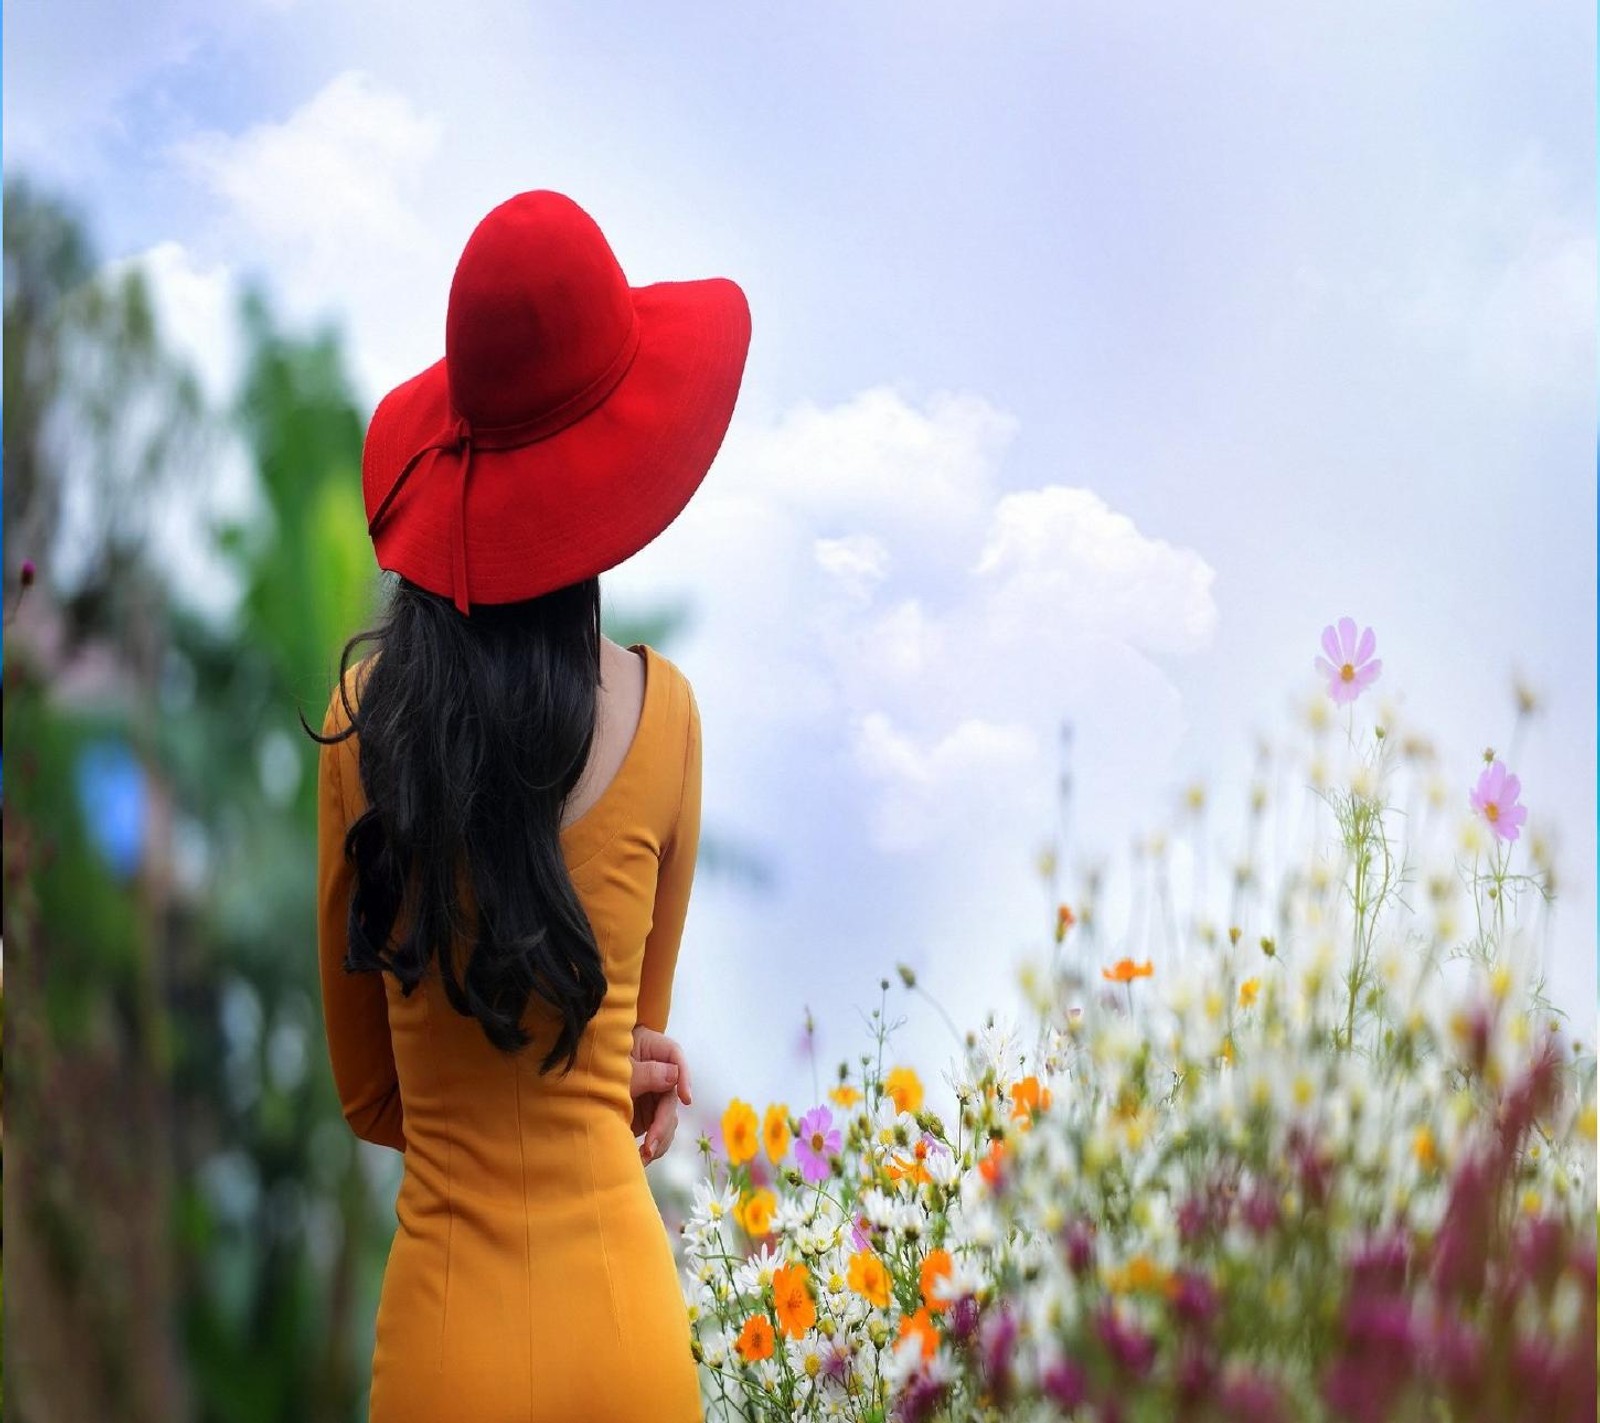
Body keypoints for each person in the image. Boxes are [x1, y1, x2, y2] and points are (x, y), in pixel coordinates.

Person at [306, 190, 750, 1423]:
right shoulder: (668, 719)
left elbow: (369, 1094)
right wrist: (612, 1073)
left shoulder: (363, 729)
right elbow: (615, 1050)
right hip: (625, 1339)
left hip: (445, 1350)